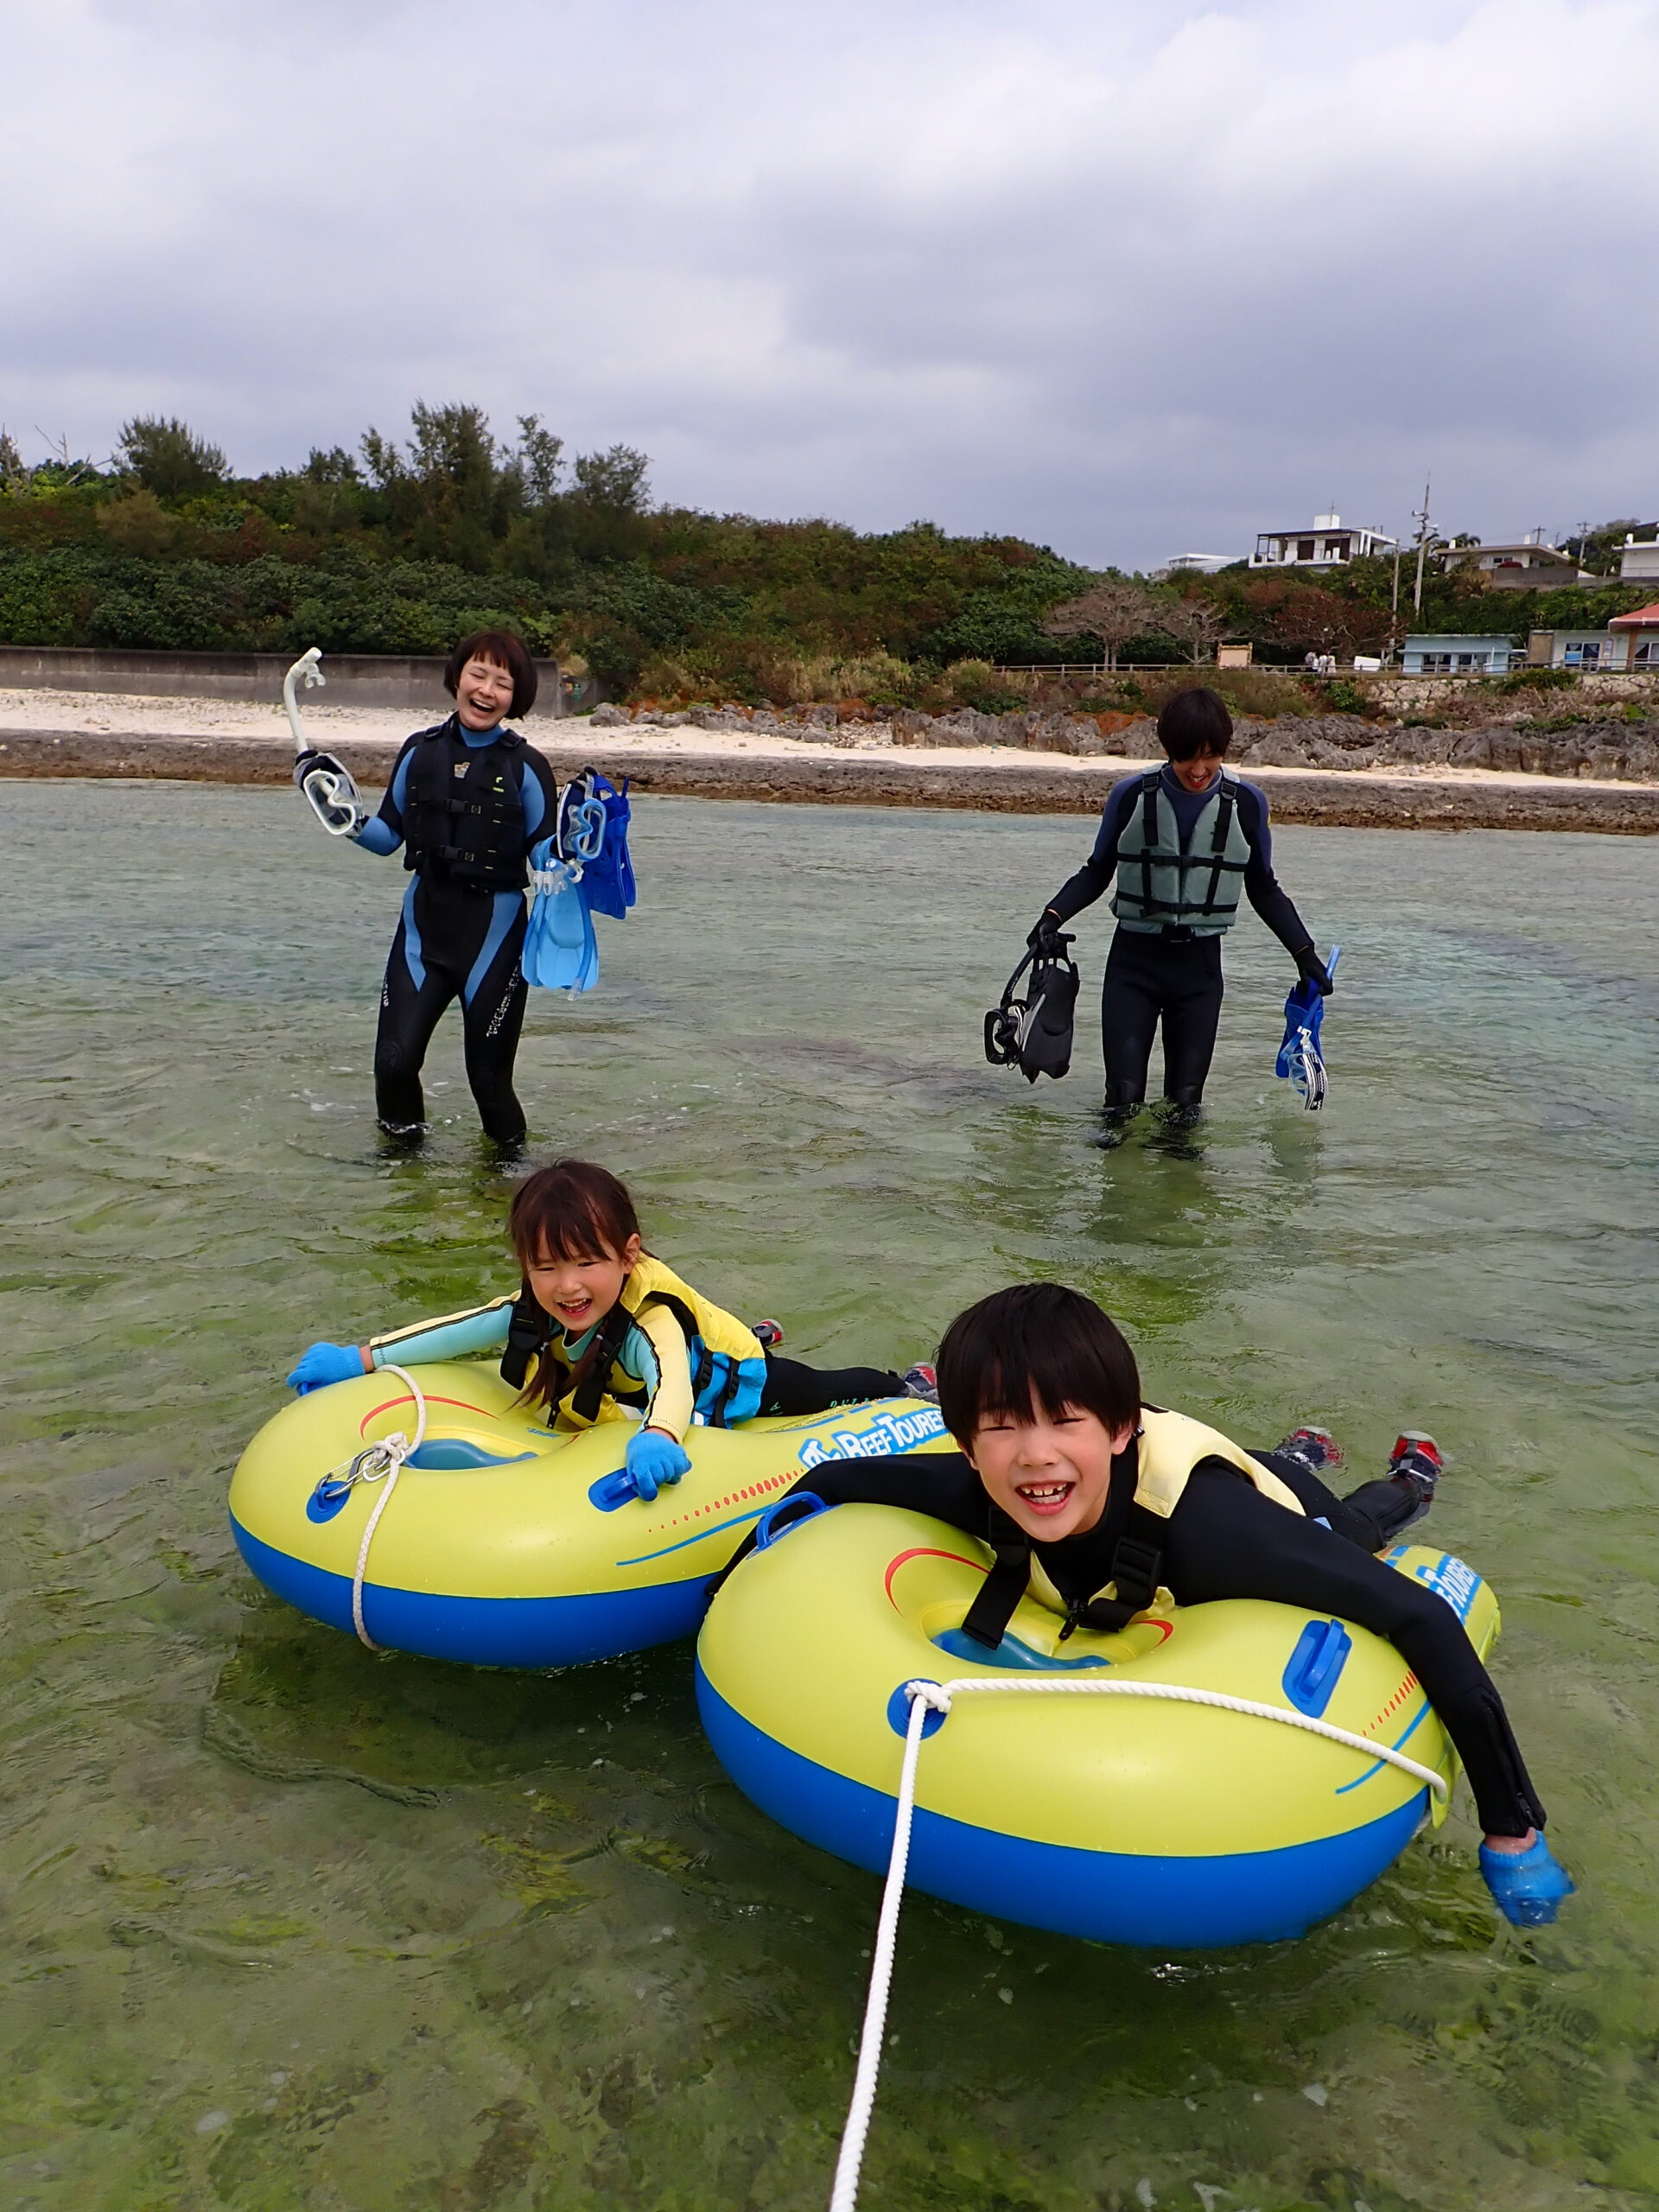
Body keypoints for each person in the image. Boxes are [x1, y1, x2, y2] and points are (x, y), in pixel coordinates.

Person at [719, 1282, 1574, 1927]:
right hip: (1157, 1471)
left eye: (1063, 1421)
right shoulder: (980, 1484)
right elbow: (832, 1478)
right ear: (964, 1438)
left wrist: (1512, 1832)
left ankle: (1408, 1476)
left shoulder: (1214, 1534)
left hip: (1252, 1504)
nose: (1033, 1456)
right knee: (1243, 1470)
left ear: (1120, 1427)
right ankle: (1294, 1446)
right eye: (1002, 1426)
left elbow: (1419, 1618)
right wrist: (744, 1577)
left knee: (1351, 1528)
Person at [286, 1158, 937, 1498]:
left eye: (586, 1263)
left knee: (818, 1385)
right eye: (546, 1267)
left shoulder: (647, 1320)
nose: (567, 1286)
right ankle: (762, 1332)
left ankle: (903, 1384)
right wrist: (361, 1359)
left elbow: (674, 1383)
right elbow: (459, 1331)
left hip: (726, 1377)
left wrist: (657, 1435)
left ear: (628, 1257)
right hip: (649, 1369)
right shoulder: (542, 1301)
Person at [1028, 687, 1332, 1140]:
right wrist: (1051, 918)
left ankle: (1179, 1199)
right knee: (1123, 1099)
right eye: (1185, 757)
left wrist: (1304, 954)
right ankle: (1119, 1200)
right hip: (1134, 967)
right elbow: (1097, 872)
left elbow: (1264, 889)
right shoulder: (1130, 796)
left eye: (1209, 757)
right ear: (1167, 750)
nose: (1197, 770)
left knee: (1185, 1106)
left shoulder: (1247, 804)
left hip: (1199, 973)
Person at [348, 629, 560, 1147]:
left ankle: (508, 1185)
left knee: (488, 1082)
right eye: (478, 674)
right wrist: (342, 816)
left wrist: (573, 851)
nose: (487, 691)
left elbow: (543, 854)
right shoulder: (419, 752)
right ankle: (403, 1178)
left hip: (494, 939)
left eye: (503, 682)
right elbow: (387, 837)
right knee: (392, 1064)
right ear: (458, 677)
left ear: (517, 696)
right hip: (423, 934)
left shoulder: (526, 767)